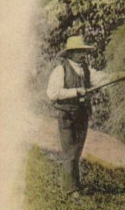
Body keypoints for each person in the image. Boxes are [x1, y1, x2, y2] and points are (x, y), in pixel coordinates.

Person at [46, 36, 114, 198]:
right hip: (67, 115)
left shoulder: (85, 69)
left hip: (81, 114)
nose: (82, 54)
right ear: (70, 54)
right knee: (69, 151)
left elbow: (102, 78)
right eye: (79, 51)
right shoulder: (60, 70)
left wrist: (123, 74)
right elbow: (52, 93)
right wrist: (75, 91)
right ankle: (70, 189)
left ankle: (75, 185)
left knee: (76, 151)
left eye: (83, 51)